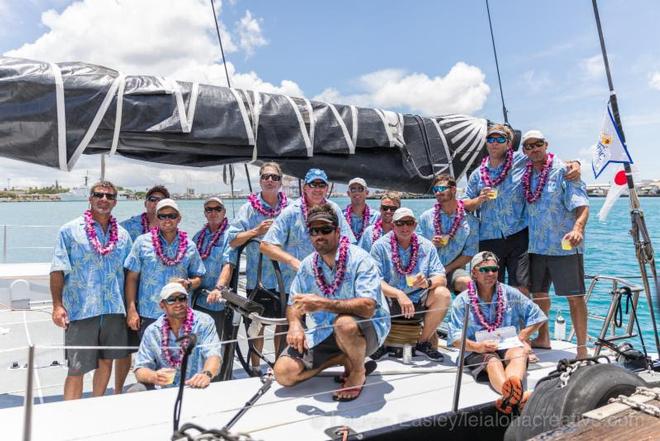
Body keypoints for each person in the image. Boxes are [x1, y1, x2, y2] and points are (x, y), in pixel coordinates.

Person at [273, 205, 390, 402]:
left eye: (325, 230)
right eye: (314, 231)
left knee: (344, 323)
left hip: (366, 331)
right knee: (283, 374)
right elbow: (295, 304)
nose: (319, 235)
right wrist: (295, 324)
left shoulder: (360, 259)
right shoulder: (307, 266)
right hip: (323, 333)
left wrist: (322, 304)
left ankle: (358, 371)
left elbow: (368, 307)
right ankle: (343, 357)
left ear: (337, 231)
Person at [463, 124, 581, 295]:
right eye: (491, 139)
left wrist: (574, 163)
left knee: (521, 288)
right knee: (486, 287)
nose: (495, 143)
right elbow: (464, 203)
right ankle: (491, 321)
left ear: (508, 143)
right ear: (486, 143)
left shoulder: (522, 161)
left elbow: (546, 158)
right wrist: (479, 199)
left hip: (518, 236)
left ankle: (519, 321)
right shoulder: (477, 174)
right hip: (488, 236)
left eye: (500, 139)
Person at [50, 181, 133, 400]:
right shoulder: (69, 230)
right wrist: (57, 306)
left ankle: (97, 409)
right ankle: (69, 414)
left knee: (106, 361)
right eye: (99, 195)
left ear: (115, 201)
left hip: (114, 309)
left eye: (109, 196)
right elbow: (58, 269)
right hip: (81, 309)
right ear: (90, 198)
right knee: (77, 367)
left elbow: (130, 275)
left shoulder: (123, 236)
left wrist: (131, 308)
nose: (103, 200)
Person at [447, 252, 547, 414]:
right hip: (476, 349)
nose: (491, 273)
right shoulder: (463, 300)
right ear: (474, 272)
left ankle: (510, 397)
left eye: (494, 269)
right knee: (492, 360)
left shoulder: (509, 293)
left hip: (507, 344)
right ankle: (513, 395)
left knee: (519, 354)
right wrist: (479, 347)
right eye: (485, 270)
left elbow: (538, 316)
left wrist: (522, 337)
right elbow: (455, 339)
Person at [520, 130, 590, 359]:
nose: (533, 149)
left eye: (537, 144)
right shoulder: (525, 173)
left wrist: (578, 228)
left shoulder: (564, 171)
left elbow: (582, 204)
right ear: (524, 151)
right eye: (528, 146)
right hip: (536, 246)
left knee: (575, 296)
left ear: (546, 144)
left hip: (564, 245)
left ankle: (581, 348)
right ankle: (543, 337)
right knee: (539, 294)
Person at [226, 162, 292, 372]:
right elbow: (232, 240)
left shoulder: (291, 208)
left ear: (280, 181)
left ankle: (279, 365)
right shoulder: (248, 209)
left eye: (274, 177)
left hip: (286, 278)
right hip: (258, 280)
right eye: (266, 177)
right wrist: (255, 231)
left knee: (283, 324)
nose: (270, 180)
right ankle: (256, 368)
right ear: (260, 181)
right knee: (258, 325)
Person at [370, 208, 451, 360]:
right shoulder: (380, 246)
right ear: (393, 225)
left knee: (443, 294)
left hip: (418, 298)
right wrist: (399, 294)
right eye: (400, 223)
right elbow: (375, 281)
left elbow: (442, 278)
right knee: (370, 293)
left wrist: (427, 282)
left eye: (409, 223)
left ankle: (423, 342)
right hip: (388, 299)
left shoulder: (427, 246)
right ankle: (379, 343)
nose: (405, 227)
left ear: (415, 225)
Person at [260, 168, 356, 294]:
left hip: (329, 286)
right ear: (305, 187)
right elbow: (266, 246)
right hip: (296, 285)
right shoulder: (291, 212)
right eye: (313, 185)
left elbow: (348, 243)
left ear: (327, 189)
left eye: (322, 185)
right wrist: (293, 261)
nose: (317, 189)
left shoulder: (334, 209)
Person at [124, 198, 206, 339]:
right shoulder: (142, 242)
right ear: (157, 218)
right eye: (163, 216)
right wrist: (131, 311)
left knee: (179, 359)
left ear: (179, 218)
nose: (167, 219)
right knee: (151, 359)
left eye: (172, 216)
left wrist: (189, 284)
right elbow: (131, 278)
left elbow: (199, 276)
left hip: (180, 312)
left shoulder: (190, 246)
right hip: (149, 313)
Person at [116, 185, 170, 393]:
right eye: (152, 199)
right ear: (146, 202)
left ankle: (159, 385)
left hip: (155, 301)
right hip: (130, 297)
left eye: (161, 200)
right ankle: (118, 391)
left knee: (160, 347)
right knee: (125, 349)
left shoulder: (171, 229)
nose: (156, 203)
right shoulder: (128, 227)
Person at [132, 282, 221, 390]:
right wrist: (154, 376)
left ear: (187, 301)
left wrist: (206, 374)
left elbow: (213, 354)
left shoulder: (204, 322)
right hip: (164, 389)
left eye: (182, 298)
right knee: (136, 389)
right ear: (162, 305)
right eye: (171, 300)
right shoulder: (153, 331)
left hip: (196, 386)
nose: (178, 303)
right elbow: (140, 368)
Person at [418, 174, 478, 293]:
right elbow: (416, 248)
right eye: (435, 190)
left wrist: (446, 269)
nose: (437, 193)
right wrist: (432, 244)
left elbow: (469, 253)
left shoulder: (471, 221)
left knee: (469, 284)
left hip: (454, 269)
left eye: (441, 189)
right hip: (428, 269)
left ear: (453, 189)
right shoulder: (425, 217)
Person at [191, 197, 236, 339]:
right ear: (204, 213)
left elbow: (229, 264)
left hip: (216, 300)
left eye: (217, 209)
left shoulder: (231, 235)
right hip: (197, 298)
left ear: (224, 212)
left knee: (213, 343)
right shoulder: (198, 236)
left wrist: (218, 288)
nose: (213, 212)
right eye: (209, 209)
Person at [344, 177, 379, 242]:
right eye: (353, 189)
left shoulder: (376, 217)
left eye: (360, 189)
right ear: (348, 194)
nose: (357, 192)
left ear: (367, 193)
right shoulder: (341, 216)